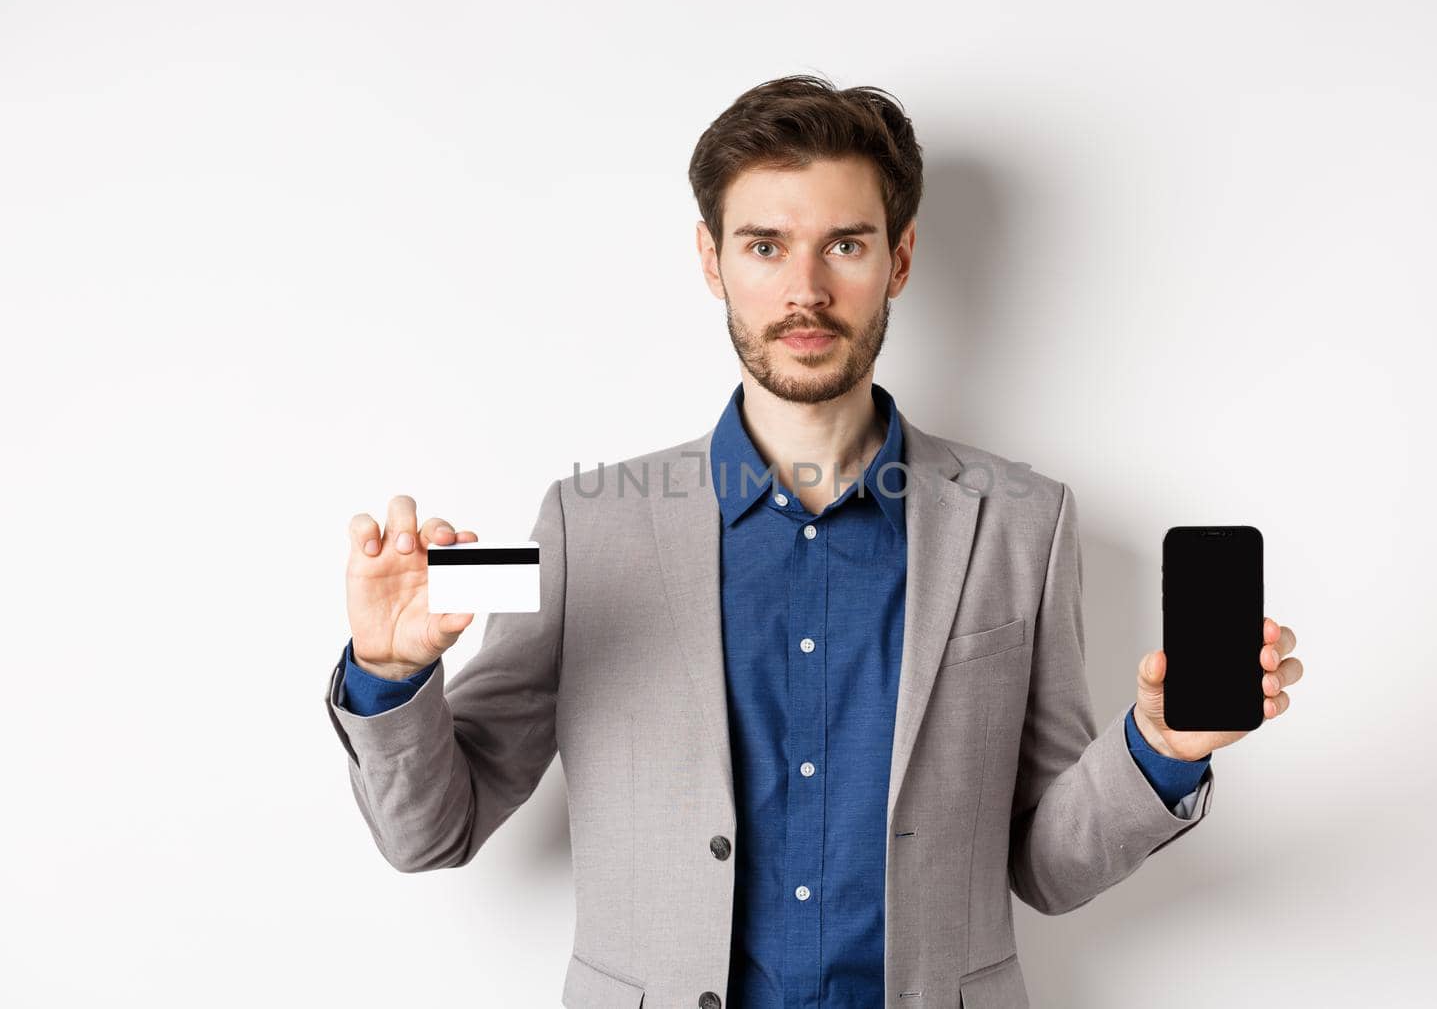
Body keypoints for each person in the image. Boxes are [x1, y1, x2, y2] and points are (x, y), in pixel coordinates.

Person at [325, 74, 1305, 1009]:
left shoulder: (1021, 522)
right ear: (711, 259)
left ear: (901, 258)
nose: (805, 287)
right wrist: (388, 671)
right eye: (764, 245)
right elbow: (429, 833)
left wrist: (1162, 747)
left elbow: (1045, 866)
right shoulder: (585, 523)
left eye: (844, 244)